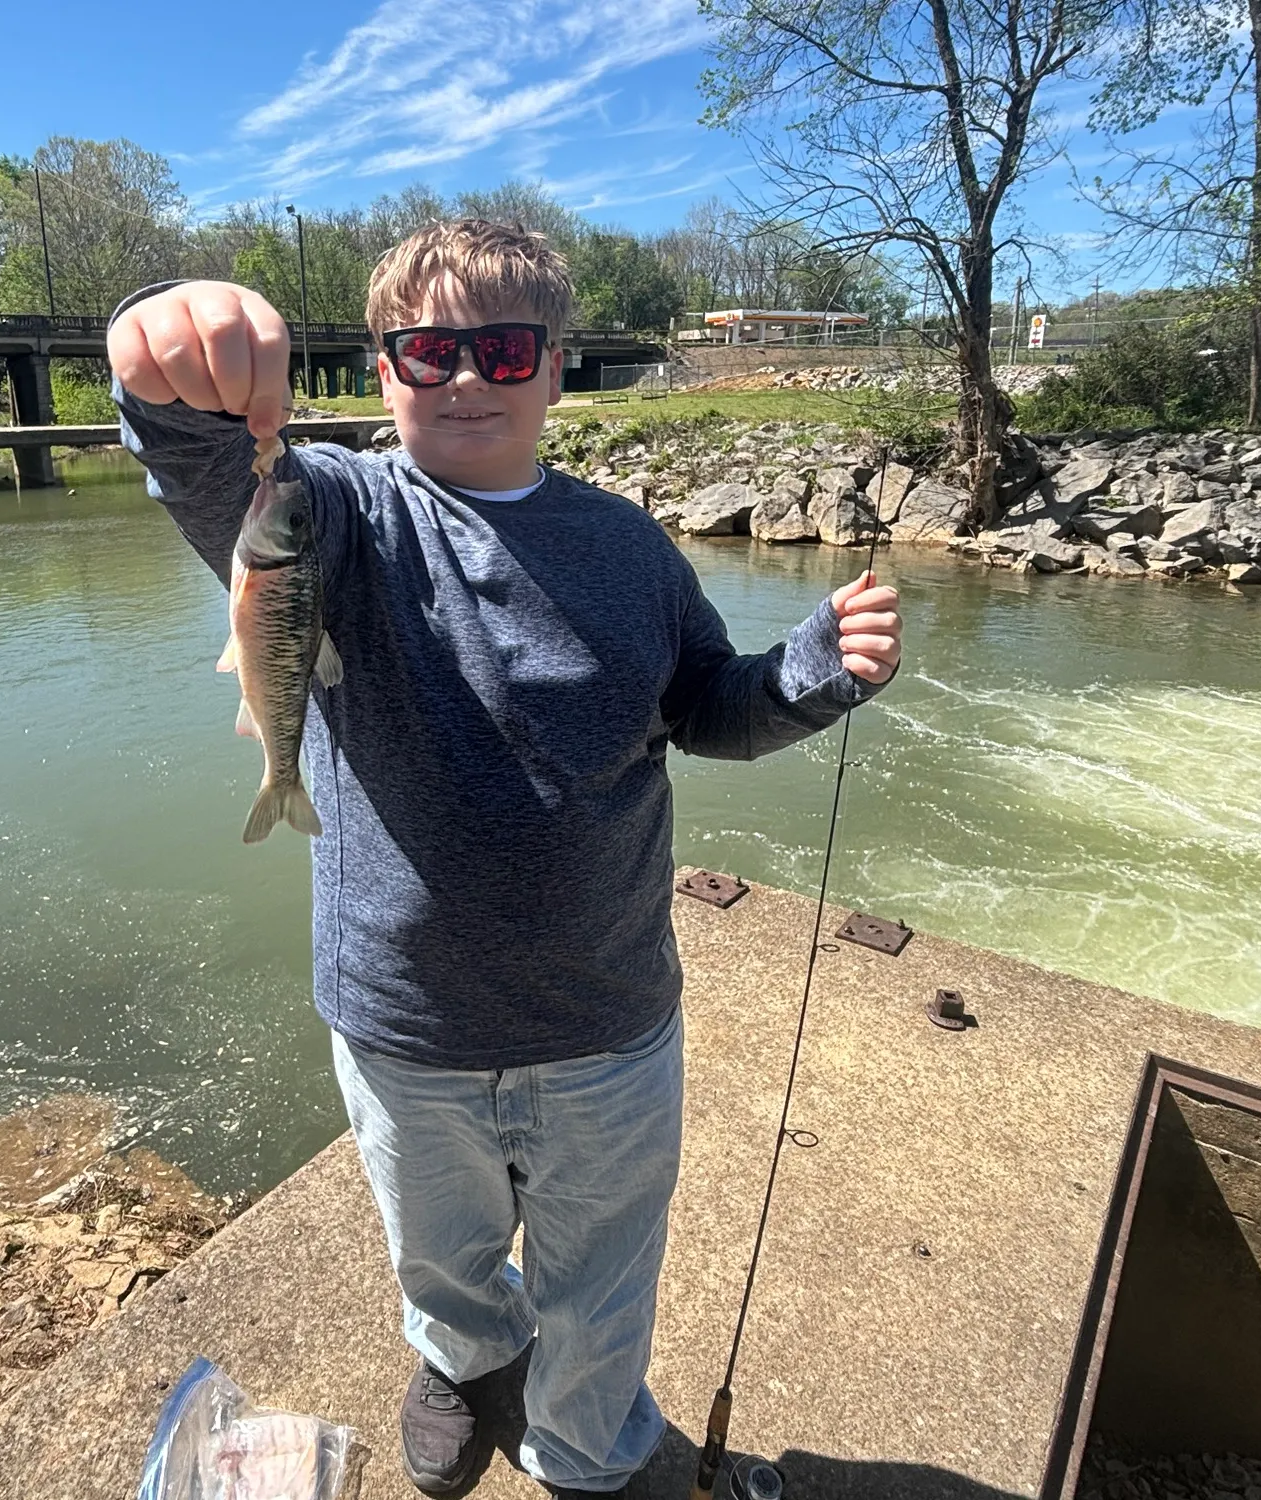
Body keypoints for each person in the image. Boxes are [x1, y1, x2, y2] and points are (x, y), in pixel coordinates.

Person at [107, 219, 903, 1497]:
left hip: (608, 1021)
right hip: (404, 1021)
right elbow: (198, 459)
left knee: (603, 1281)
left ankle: (586, 1450)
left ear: (555, 366)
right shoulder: (335, 510)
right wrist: (163, 337)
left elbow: (708, 708)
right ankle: (465, 1357)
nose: (467, 375)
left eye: (505, 349)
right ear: (384, 370)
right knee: (438, 1250)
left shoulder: (633, 548)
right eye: (429, 351)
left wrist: (812, 673)